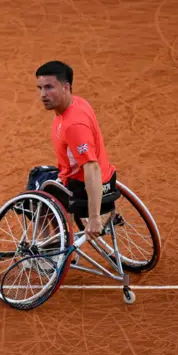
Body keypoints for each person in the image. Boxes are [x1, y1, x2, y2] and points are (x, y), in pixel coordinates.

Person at [29, 60, 118, 241]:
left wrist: (93, 218)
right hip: (107, 180)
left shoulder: (73, 126)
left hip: (79, 189)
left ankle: (48, 248)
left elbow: (92, 168)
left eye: (49, 88)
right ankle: (56, 239)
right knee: (42, 177)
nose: (43, 95)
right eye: (40, 88)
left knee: (34, 188)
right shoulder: (78, 103)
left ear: (66, 87)